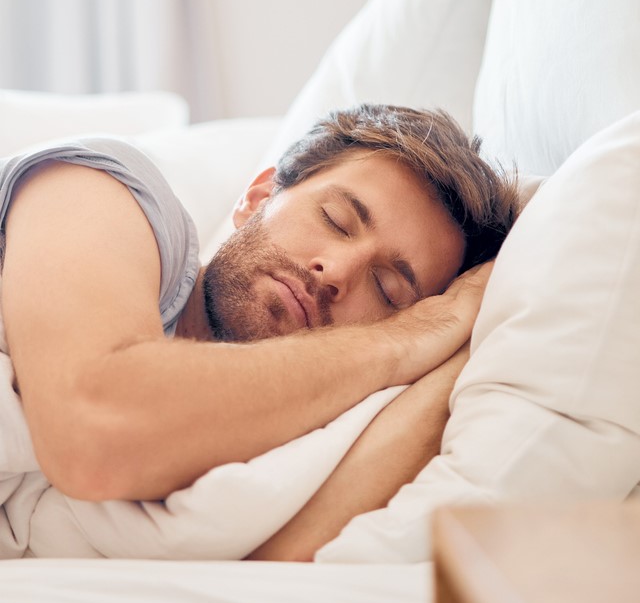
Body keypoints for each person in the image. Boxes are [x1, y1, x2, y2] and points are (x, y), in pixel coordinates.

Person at [0, 103, 518, 559]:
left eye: (387, 289)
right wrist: (405, 335)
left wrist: (456, 337)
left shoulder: (309, 414)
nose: (335, 271)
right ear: (258, 195)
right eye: (336, 220)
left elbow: (282, 556)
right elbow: (93, 433)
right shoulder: (104, 188)